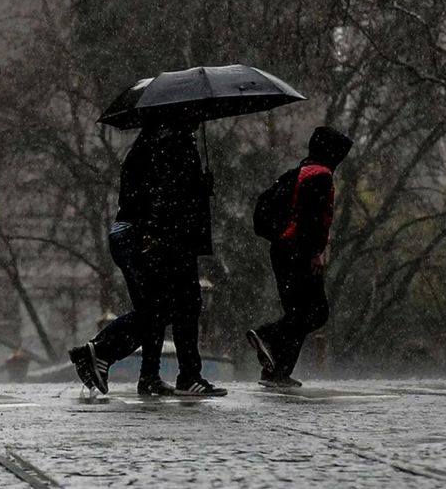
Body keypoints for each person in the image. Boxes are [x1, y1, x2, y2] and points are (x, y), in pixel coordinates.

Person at [69, 119, 227, 397]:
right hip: (158, 236)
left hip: (134, 234)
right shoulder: (174, 142)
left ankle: (148, 375)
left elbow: (152, 191)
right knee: (178, 304)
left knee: (155, 307)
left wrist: (199, 186)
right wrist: (158, 230)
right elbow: (166, 194)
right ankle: (104, 352)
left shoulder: (149, 142)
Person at [246, 126, 353, 388]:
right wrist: (315, 253)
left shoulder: (299, 172)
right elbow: (312, 219)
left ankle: (277, 371)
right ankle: (267, 335)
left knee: (299, 313)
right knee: (315, 312)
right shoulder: (321, 176)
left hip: (282, 249)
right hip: (298, 250)